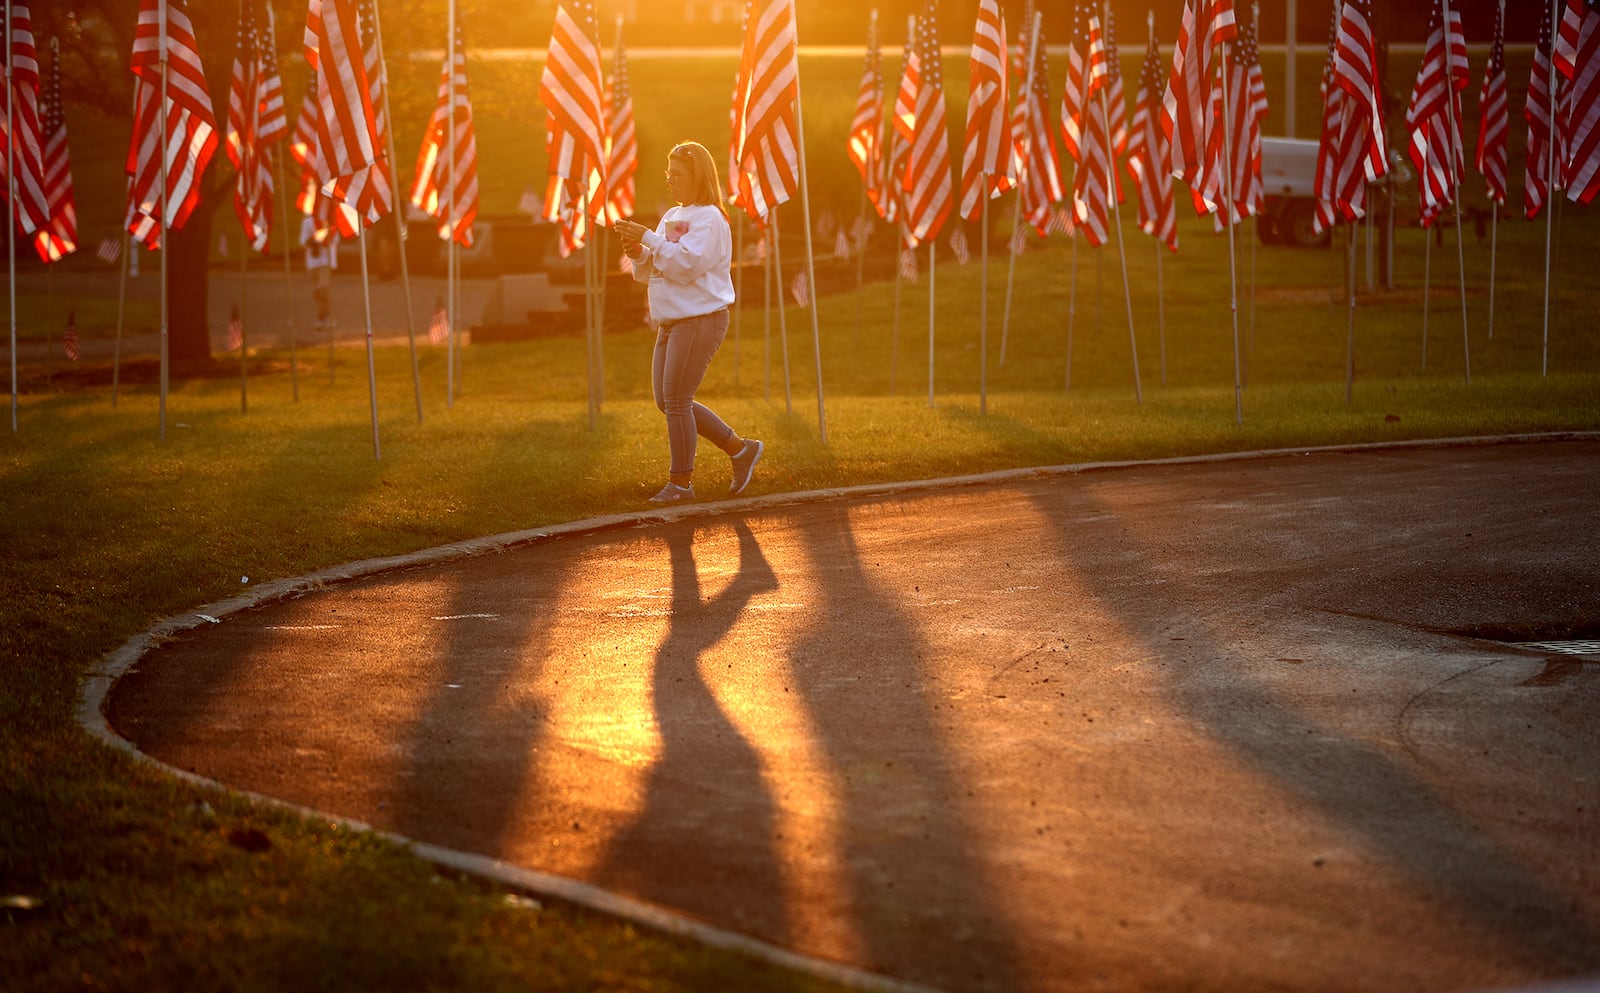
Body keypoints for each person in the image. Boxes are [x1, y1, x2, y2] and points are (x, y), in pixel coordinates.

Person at [615, 141, 763, 505]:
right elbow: (657, 269)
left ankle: (680, 484)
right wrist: (639, 254)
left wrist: (648, 238)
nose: (671, 180)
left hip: (700, 318)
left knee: (678, 399)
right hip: (672, 320)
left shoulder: (711, 217)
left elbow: (686, 265)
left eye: (677, 174)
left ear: (697, 176)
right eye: (669, 173)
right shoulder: (672, 216)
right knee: (668, 401)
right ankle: (741, 450)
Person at [300, 214, 338, 329]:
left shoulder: (330, 220)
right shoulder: (307, 221)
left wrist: (323, 238)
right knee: (317, 291)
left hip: (326, 261)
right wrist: (313, 241)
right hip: (312, 262)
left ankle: (326, 316)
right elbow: (303, 241)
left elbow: (335, 239)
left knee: (323, 287)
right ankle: (322, 314)